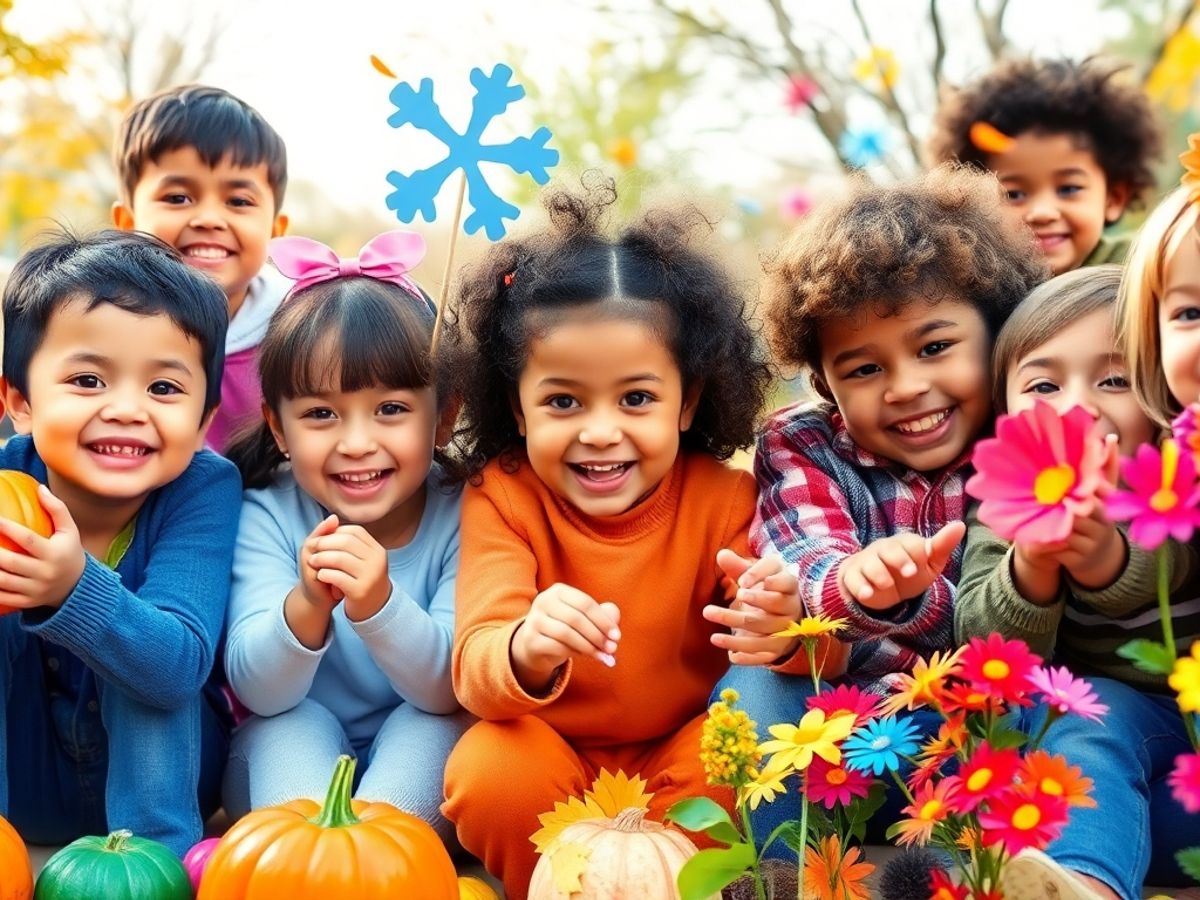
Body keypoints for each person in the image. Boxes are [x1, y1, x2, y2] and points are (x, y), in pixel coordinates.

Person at [439, 182, 792, 898]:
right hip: (554, 763)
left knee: (756, 743)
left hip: (681, 758)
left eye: (636, 398)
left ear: (687, 400)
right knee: (485, 771)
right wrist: (526, 645)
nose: (600, 431)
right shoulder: (503, 496)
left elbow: (800, 648)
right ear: (517, 404)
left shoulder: (723, 497)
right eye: (563, 401)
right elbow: (475, 663)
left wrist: (782, 627)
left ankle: (682, 885)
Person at [713, 166, 1045, 858]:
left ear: (997, 334)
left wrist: (916, 598)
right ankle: (788, 875)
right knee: (754, 685)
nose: (907, 387)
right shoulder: (802, 442)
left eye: (934, 348)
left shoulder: (1026, 436)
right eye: (864, 370)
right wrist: (843, 584)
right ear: (825, 383)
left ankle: (968, 873)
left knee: (1051, 712)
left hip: (979, 739)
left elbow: (1024, 618)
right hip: (844, 737)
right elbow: (800, 557)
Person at [221, 232, 471, 843]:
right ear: (279, 428)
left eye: (390, 410)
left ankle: (372, 865)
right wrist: (308, 604)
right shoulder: (267, 511)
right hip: (289, 729)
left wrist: (378, 605)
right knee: (288, 733)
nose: (357, 443)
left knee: (433, 732)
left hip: (423, 724)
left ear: (443, 417)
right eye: (321, 414)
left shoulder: (464, 510)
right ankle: (312, 864)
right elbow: (258, 689)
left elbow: (447, 689)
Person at [989, 185, 1200, 899]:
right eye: (1043, 385)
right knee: (1093, 721)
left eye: (1112, 378)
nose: (1077, 406)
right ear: (1004, 410)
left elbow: (1176, 558)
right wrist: (1033, 568)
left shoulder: (1176, 472)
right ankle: (1084, 883)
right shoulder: (1002, 505)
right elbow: (990, 647)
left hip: (1188, 726)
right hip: (1115, 725)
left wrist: (1105, 555)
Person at [0, 229, 239, 855]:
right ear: (20, 402)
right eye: (87, 380)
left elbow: (177, 667)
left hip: (167, 776)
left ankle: (152, 868)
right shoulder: (7, 486)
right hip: (27, 775)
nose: (128, 408)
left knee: (155, 652)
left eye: (164, 388)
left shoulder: (201, 490)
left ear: (204, 418)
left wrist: (73, 587)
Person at [112, 84, 290, 451]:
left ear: (276, 230)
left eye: (239, 201)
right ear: (127, 222)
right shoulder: (101, 321)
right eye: (178, 197)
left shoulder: (297, 330)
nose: (209, 218)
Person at [929, 57, 1162, 275]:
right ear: (973, 204)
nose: (1042, 213)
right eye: (1013, 194)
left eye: (1069, 189)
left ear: (1114, 198)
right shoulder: (974, 293)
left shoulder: (1142, 268)